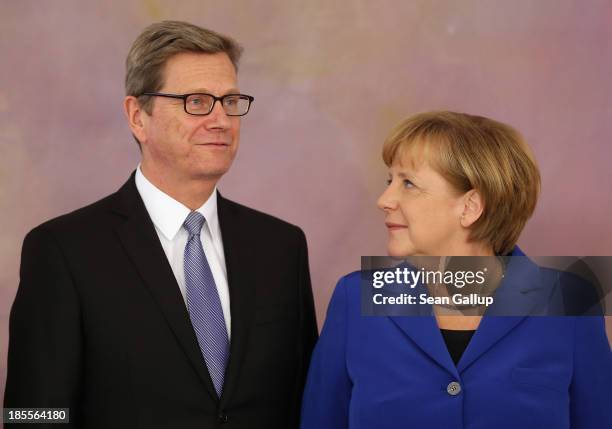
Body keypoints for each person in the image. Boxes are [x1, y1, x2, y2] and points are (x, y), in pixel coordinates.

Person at [5, 21, 317, 428]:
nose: (221, 119)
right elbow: (33, 416)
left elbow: (311, 403)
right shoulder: (63, 251)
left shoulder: (282, 246)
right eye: (197, 102)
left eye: (230, 100)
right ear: (138, 116)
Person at [300, 111, 612, 428]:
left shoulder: (570, 301)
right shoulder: (355, 298)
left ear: (470, 206)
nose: (384, 199)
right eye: (389, 180)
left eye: (408, 183)